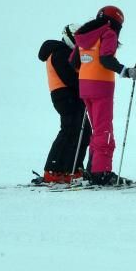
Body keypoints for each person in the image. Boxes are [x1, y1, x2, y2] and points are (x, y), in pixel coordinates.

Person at [69, 5, 136, 186]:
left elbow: (73, 62)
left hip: (85, 87)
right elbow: (106, 59)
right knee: (104, 130)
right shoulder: (108, 33)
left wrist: (88, 72)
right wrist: (127, 71)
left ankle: (93, 170)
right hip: (101, 87)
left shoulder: (84, 35)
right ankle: (101, 173)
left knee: (97, 129)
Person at [35, 24, 89, 184]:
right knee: (69, 130)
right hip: (65, 95)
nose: (80, 42)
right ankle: (53, 170)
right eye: (77, 38)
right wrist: (87, 84)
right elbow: (70, 78)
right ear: (69, 36)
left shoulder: (69, 53)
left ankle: (72, 168)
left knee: (84, 132)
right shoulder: (60, 52)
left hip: (72, 95)